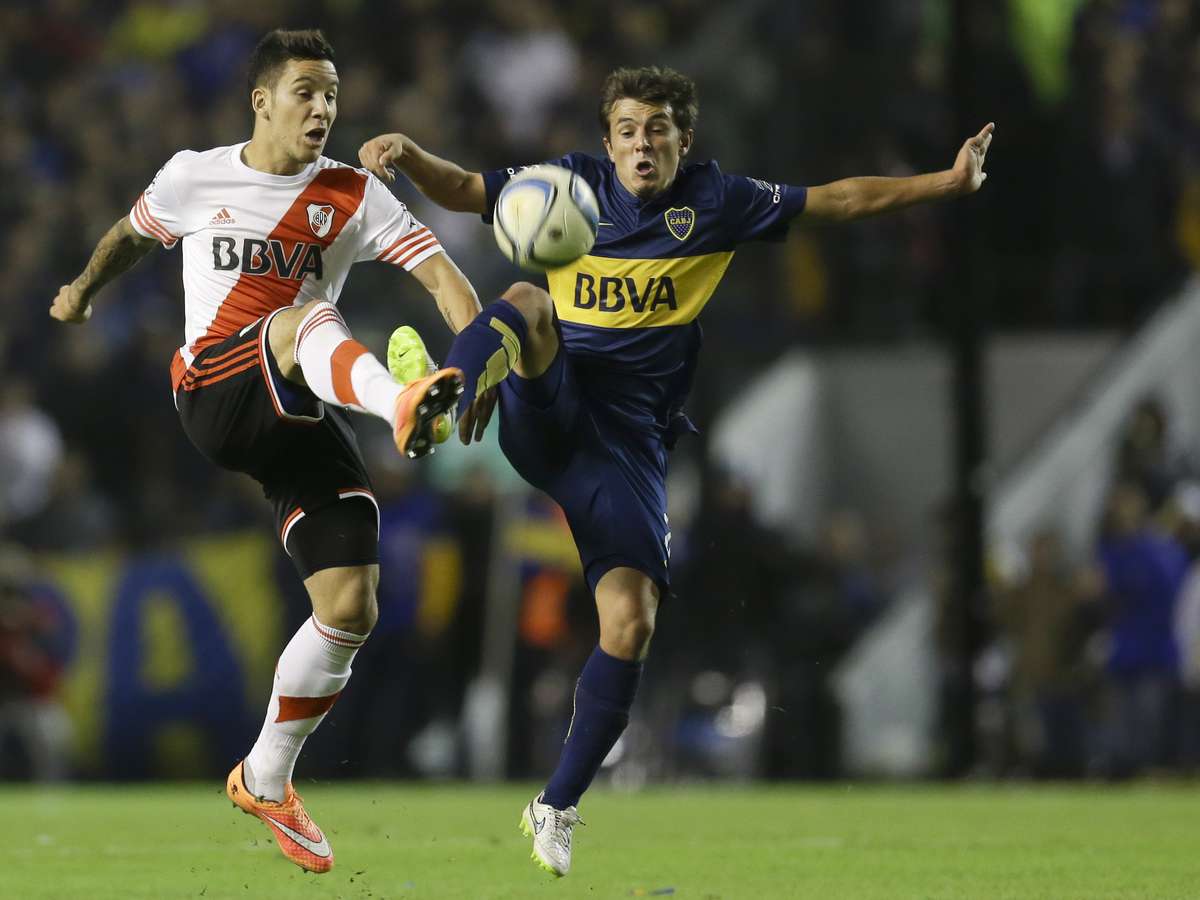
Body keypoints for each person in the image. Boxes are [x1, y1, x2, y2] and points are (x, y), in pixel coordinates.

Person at [359, 64, 993, 877]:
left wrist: (945, 181)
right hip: (555, 402)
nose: (641, 143)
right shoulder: (569, 186)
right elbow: (462, 188)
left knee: (631, 624)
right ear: (608, 142)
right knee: (526, 296)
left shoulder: (718, 201)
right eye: (626, 129)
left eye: (656, 128)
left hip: (626, 444)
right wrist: (410, 154)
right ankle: (452, 386)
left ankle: (555, 804)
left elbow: (838, 199)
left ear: (682, 140)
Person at [49, 28, 480, 874]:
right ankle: (398, 406)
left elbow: (443, 280)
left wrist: (475, 362)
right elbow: (131, 236)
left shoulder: (353, 193)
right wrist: (80, 292)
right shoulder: (191, 175)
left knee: (352, 604)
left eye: (332, 93)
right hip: (213, 388)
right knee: (301, 316)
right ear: (262, 100)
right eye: (306, 92)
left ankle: (266, 775)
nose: (323, 108)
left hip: (297, 408)